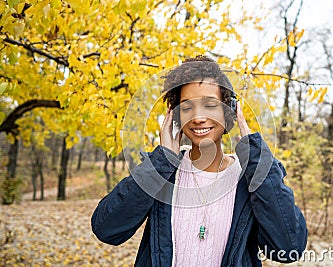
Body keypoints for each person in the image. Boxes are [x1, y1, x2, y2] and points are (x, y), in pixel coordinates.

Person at [91, 55, 308, 266]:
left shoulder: (249, 178)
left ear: (230, 111)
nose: (197, 117)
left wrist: (257, 158)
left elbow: (288, 248)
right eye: (186, 107)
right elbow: (107, 229)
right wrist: (161, 162)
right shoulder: (163, 173)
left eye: (210, 105)